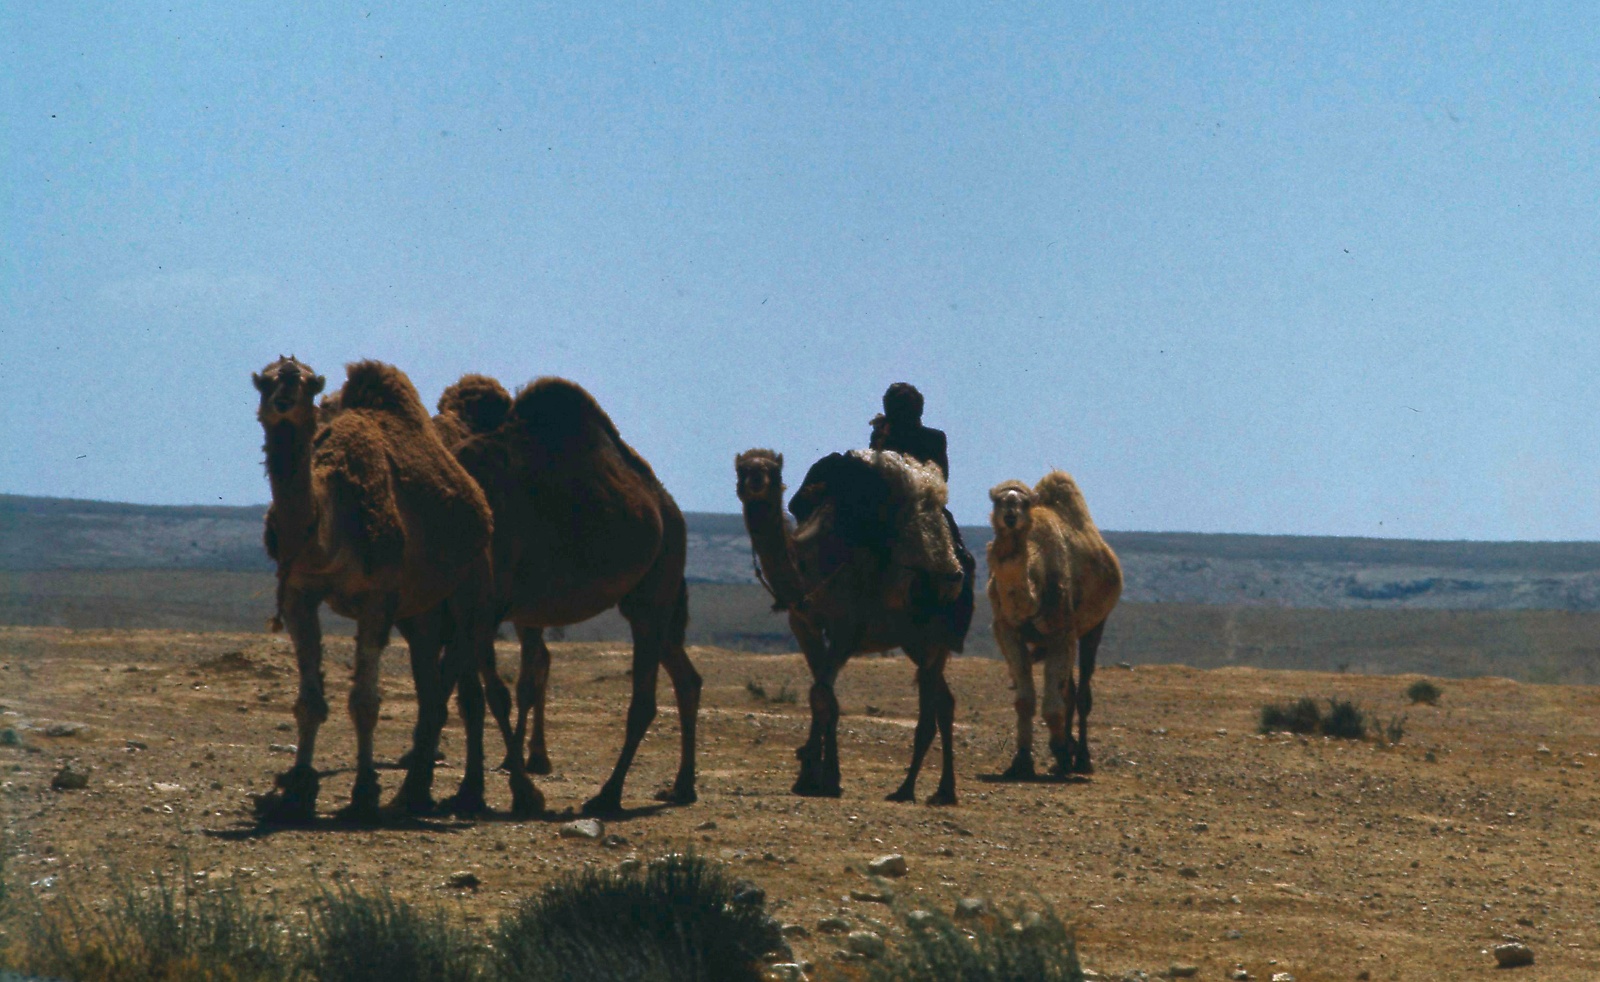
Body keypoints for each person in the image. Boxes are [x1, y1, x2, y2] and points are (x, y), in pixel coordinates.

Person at [868, 383, 974, 636]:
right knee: (964, 561)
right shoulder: (932, 437)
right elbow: (942, 475)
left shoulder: (911, 436)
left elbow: (876, 469)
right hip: (917, 508)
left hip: (913, 508)